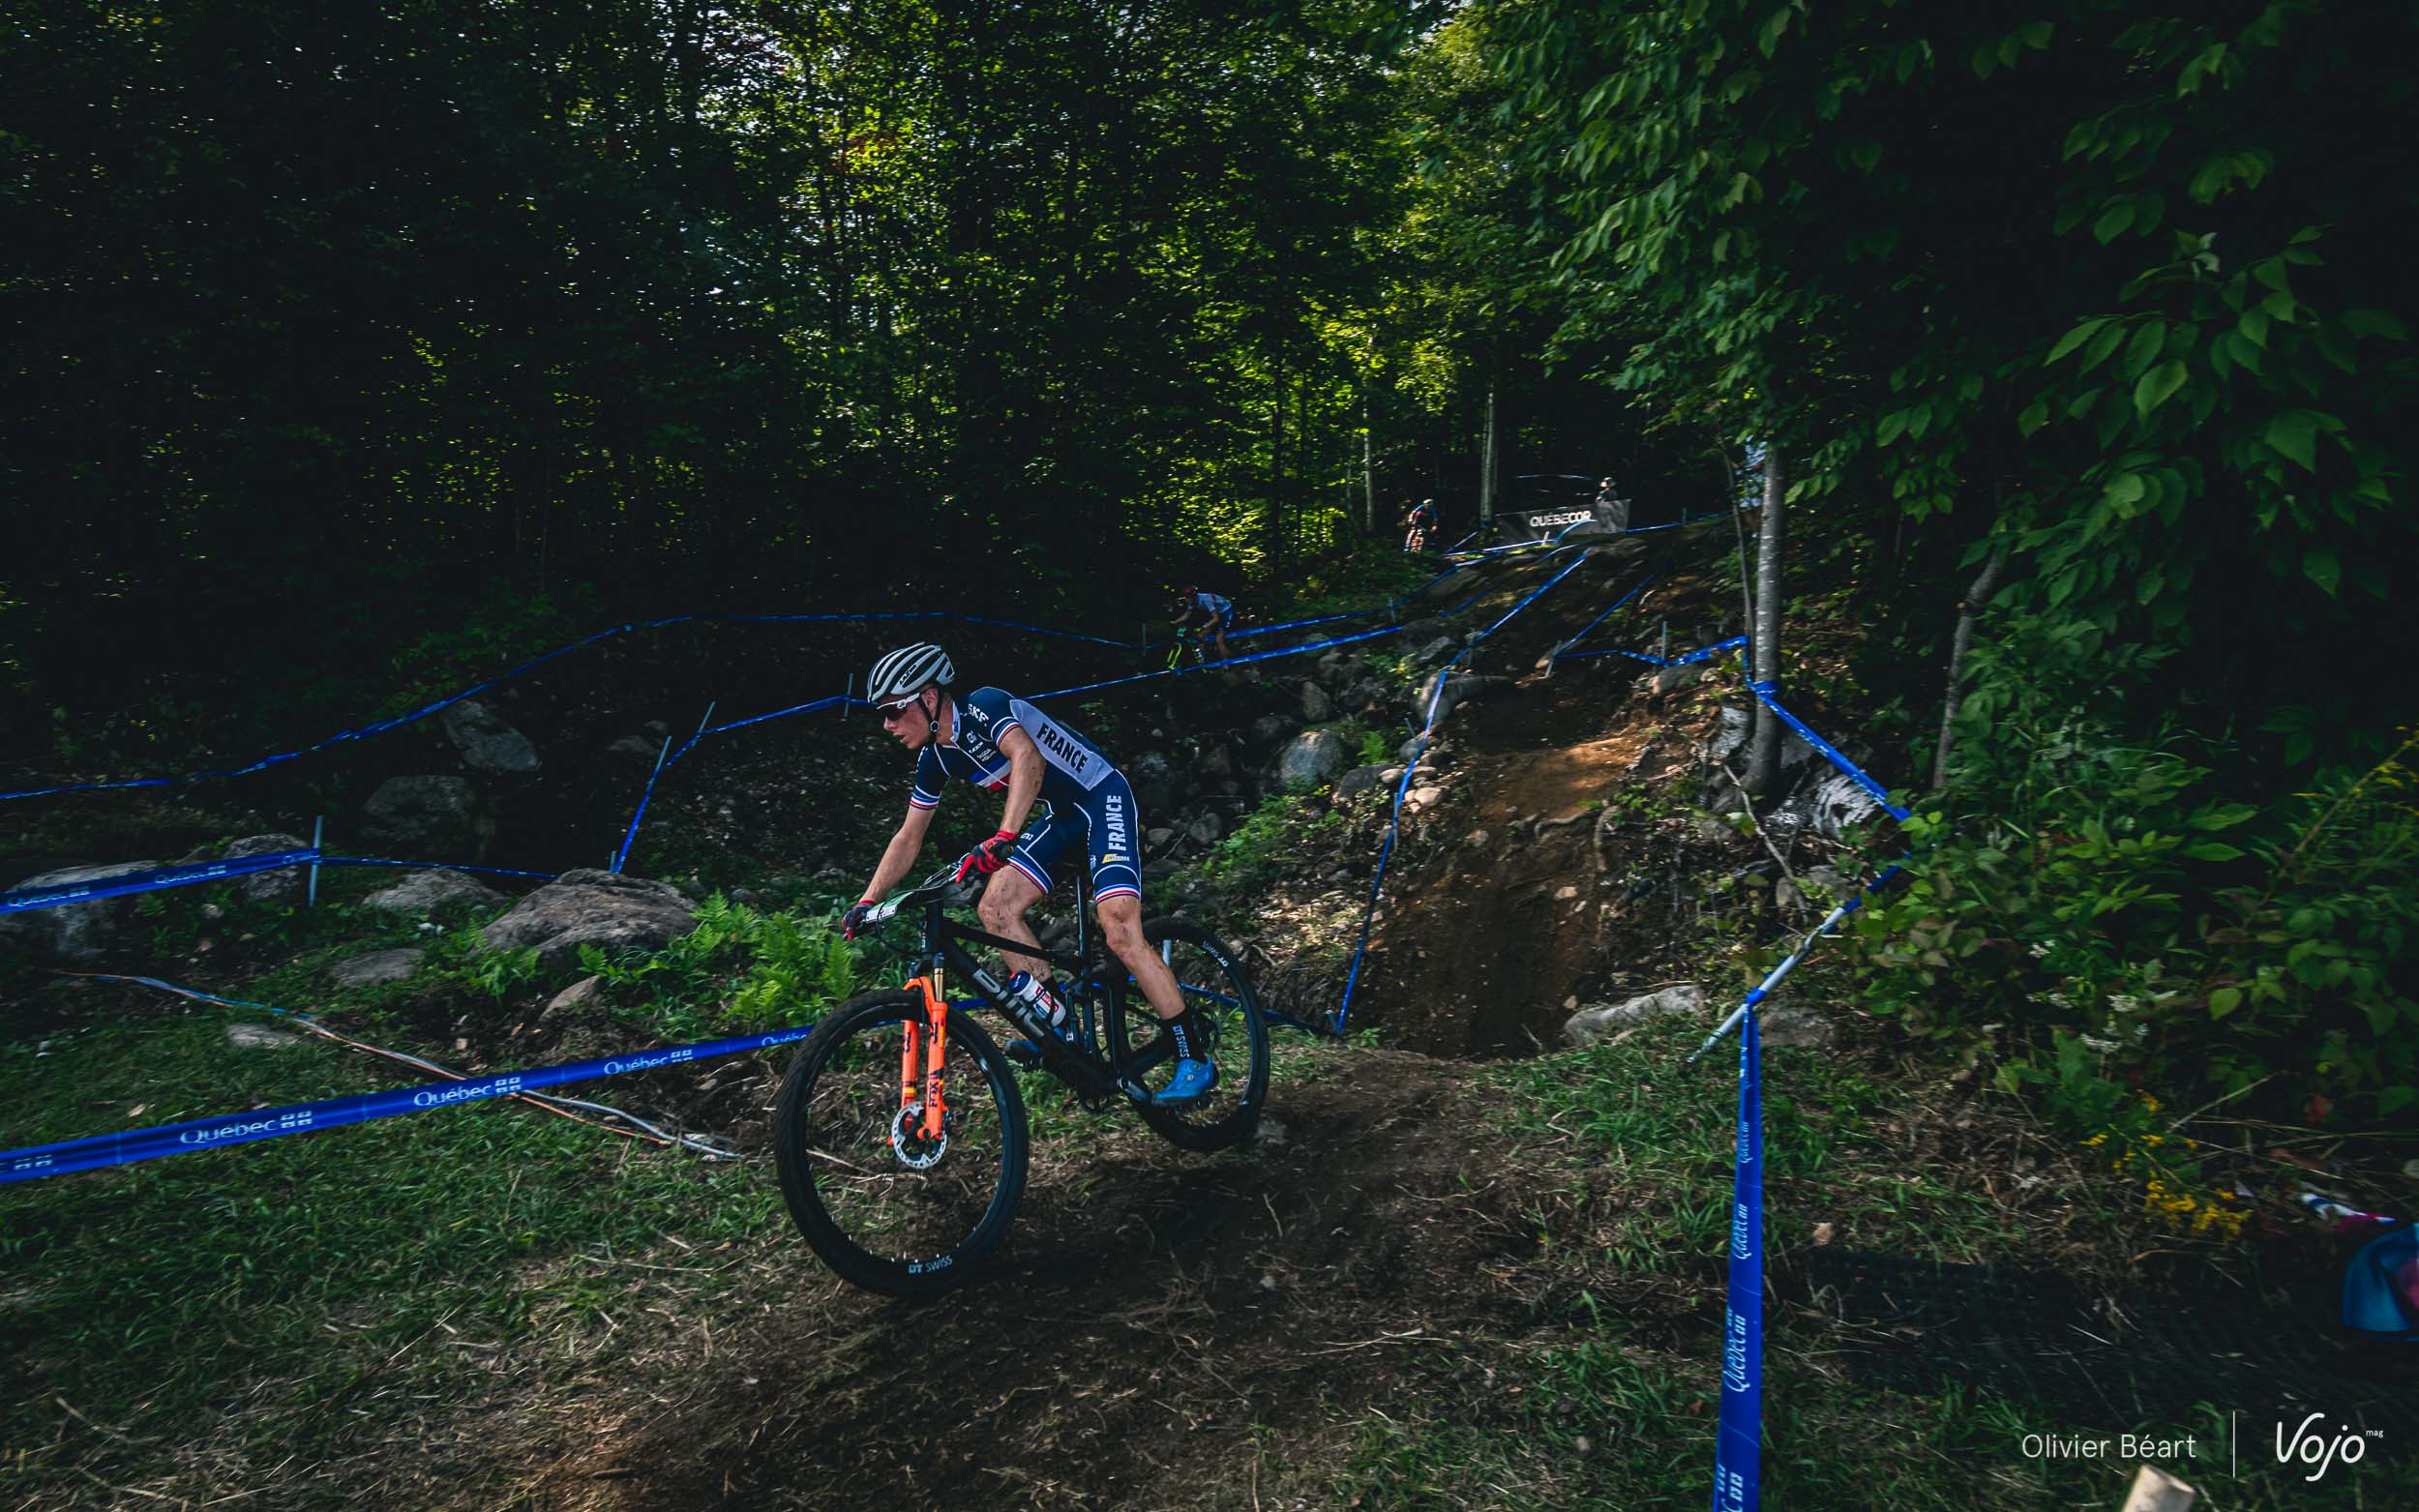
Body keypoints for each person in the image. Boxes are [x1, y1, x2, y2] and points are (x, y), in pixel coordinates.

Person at [841, 643, 1216, 1106]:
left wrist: (1005, 835)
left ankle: (1192, 1052)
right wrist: (867, 900)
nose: (888, 724)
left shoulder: (984, 706)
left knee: (1120, 930)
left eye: (894, 710)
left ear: (930, 697)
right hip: (1063, 814)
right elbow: (908, 836)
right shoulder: (936, 758)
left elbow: (1028, 759)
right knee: (995, 908)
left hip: (1102, 796)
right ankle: (1058, 1025)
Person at [1171, 585, 1235, 663]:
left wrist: (1203, 627)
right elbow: (1187, 615)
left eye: (1188, 597)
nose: (1186, 600)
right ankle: (1203, 661)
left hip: (1226, 611)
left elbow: (1216, 618)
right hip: (1215, 612)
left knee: (1219, 638)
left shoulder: (1205, 599)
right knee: (1200, 636)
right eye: (1185, 597)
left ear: (1193, 596)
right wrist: (1174, 622)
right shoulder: (1191, 600)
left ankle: (1226, 663)